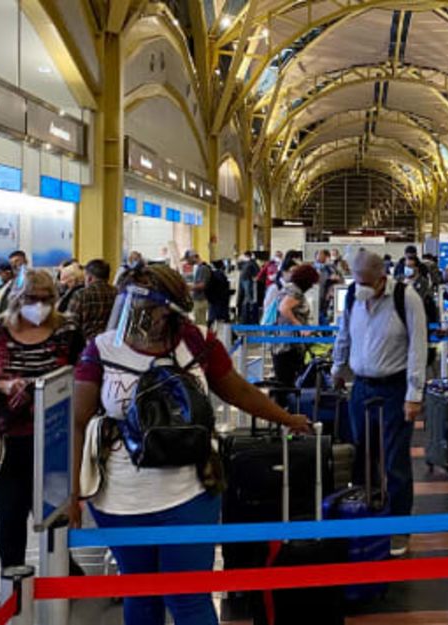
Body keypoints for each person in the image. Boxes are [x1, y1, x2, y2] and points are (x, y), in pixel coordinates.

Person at [69, 263, 311, 625]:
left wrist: (286, 418)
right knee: (141, 595)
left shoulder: (195, 341)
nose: (135, 315)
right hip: (121, 496)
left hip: (190, 491)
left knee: (188, 598)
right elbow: (78, 421)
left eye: (145, 306)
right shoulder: (102, 349)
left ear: (168, 308)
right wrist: (72, 492)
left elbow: (237, 389)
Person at [0, 270, 84, 605]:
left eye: (47, 298)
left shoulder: (69, 333)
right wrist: (0, 386)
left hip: (56, 444)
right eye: (33, 298)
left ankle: (63, 573)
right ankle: (11, 586)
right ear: (17, 299)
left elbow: (85, 378)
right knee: (11, 515)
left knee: (56, 514)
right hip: (5, 444)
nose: (40, 306)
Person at [331, 251, 427, 557]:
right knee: (361, 454)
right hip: (361, 386)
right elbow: (343, 334)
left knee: (395, 460)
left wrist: (414, 394)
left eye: (367, 282)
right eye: (357, 280)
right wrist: (337, 368)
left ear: (381, 277)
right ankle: (364, 516)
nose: (361, 287)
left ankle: (399, 527)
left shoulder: (405, 298)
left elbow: (418, 346)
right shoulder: (352, 298)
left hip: (394, 388)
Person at [271, 263, 320, 386]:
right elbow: (284, 308)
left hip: (279, 341)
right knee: (288, 384)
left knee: (283, 382)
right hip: (289, 344)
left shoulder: (287, 288)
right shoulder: (296, 292)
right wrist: (300, 326)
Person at [67, 260, 118, 342]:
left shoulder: (81, 294)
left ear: (89, 277)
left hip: (87, 344)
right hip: (110, 342)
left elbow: (71, 323)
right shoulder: (117, 293)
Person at [182, 250, 212, 326]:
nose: (187, 262)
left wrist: (188, 287)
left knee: (200, 324)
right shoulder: (199, 268)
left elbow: (202, 285)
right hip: (198, 300)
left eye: (187, 259)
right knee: (199, 323)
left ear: (193, 257)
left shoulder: (203, 268)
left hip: (201, 300)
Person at [237, 251, 261, 324]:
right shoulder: (245, 263)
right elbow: (238, 267)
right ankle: (244, 314)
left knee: (249, 297)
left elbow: (258, 271)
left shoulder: (252, 263)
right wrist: (239, 260)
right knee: (245, 297)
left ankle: (249, 313)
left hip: (248, 280)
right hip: (244, 280)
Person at [205, 260, 231, 326]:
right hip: (220, 300)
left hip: (216, 301)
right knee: (222, 318)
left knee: (214, 318)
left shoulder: (214, 275)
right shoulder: (220, 275)